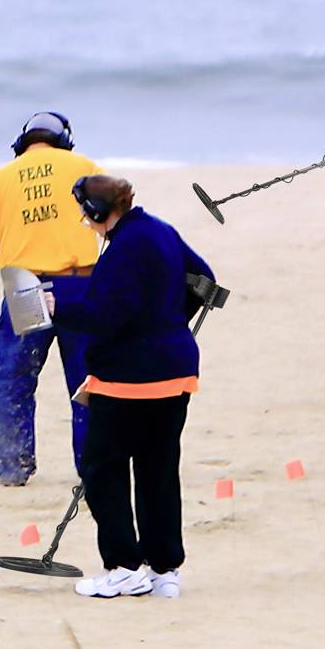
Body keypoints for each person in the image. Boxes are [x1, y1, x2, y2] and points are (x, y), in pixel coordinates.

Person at [46, 176, 215, 601]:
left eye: (87, 214)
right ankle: (164, 570)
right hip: (176, 368)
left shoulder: (123, 249)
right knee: (158, 470)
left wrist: (57, 307)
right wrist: (170, 318)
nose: (86, 221)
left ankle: (123, 567)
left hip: (129, 379)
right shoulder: (159, 230)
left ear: (101, 212)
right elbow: (205, 279)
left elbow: (106, 315)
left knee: (102, 469)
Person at [0, 111, 104, 484]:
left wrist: (19, 259)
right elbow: (113, 224)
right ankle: (92, 468)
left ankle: (14, 467)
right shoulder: (84, 167)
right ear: (64, 140)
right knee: (87, 380)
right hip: (79, 285)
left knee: (14, 379)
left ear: (22, 142)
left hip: (24, 286)